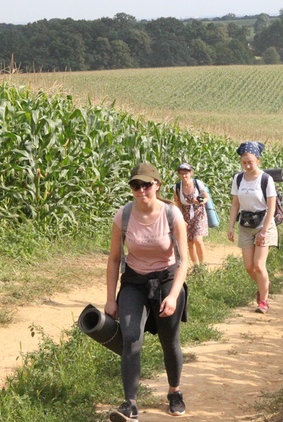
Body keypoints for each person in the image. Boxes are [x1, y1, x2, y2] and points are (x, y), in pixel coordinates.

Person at [106, 163, 190, 421]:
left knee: (169, 340)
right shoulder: (124, 215)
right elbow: (113, 259)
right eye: (135, 185)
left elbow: (184, 260)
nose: (141, 190)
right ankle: (130, 403)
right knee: (131, 337)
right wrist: (110, 299)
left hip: (166, 281)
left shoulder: (172, 214)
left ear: (157, 185)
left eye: (146, 185)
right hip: (134, 282)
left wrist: (174, 295)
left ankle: (174, 392)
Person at [227, 141, 278, 314]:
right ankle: (264, 285)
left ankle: (263, 301)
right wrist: (230, 226)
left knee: (258, 265)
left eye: (251, 162)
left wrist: (264, 231)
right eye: (244, 163)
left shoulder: (266, 179)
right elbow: (235, 204)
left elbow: (272, 206)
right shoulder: (238, 178)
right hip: (245, 224)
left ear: (258, 160)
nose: (247, 165)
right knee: (249, 266)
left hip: (264, 223)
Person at [173, 163, 209, 267]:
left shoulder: (197, 183)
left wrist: (200, 202)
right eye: (182, 174)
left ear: (191, 173)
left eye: (186, 173)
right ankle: (196, 267)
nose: (184, 176)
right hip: (186, 216)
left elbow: (206, 197)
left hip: (199, 214)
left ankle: (202, 265)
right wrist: (181, 219)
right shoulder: (177, 187)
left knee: (197, 240)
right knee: (189, 242)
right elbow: (178, 203)